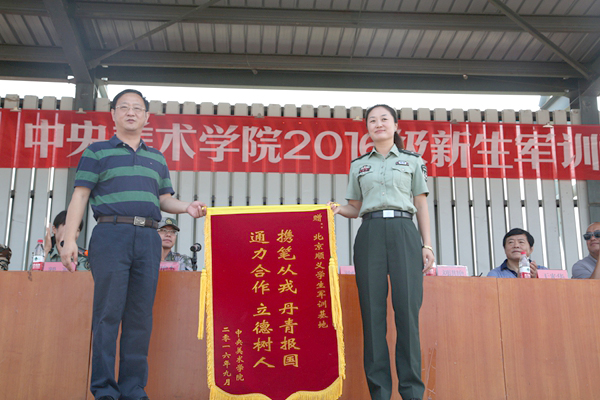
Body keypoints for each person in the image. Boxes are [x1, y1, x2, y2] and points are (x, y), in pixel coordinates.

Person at [60, 89, 207, 400]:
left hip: (148, 238)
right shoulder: (97, 152)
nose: (131, 112)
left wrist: (187, 207)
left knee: (140, 317)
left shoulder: (156, 158)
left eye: (137, 108)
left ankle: (133, 389)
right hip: (111, 235)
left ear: (146, 117)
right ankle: (104, 390)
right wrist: (69, 238)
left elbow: (164, 199)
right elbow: (80, 196)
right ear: (113, 114)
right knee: (108, 314)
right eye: (124, 107)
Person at [329, 104, 434, 400]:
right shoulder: (359, 165)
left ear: (396, 125)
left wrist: (426, 244)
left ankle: (411, 392)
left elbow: (421, 204)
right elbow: (355, 207)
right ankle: (380, 393)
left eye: (384, 119)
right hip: (370, 233)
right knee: (372, 315)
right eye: (372, 120)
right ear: (367, 128)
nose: (378, 124)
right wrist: (337, 209)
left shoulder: (412, 161)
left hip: (404, 231)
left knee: (407, 314)